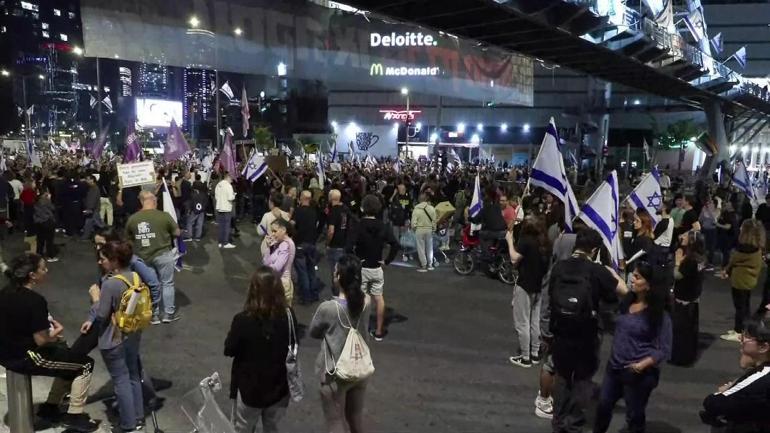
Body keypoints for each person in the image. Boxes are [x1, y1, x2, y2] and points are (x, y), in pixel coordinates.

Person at [0, 253, 99, 432]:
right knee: (84, 364)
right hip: (27, 357)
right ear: (32, 275)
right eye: (43, 268)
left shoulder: (5, 292)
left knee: (67, 359)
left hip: (5, 352)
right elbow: (41, 340)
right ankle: (75, 417)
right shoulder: (35, 301)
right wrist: (57, 333)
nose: (46, 271)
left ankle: (50, 407)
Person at [549, 229, 628, 433]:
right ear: (594, 249)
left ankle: (558, 420)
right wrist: (611, 274)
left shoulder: (560, 267)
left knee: (562, 377)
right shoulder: (596, 270)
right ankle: (574, 422)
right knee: (583, 380)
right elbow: (624, 293)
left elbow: (550, 296)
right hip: (586, 333)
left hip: (561, 332)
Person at [593, 261, 672, 433]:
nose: (632, 280)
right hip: (614, 368)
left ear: (649, 285)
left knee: (634, 415)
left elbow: (664, 349)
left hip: (638, 374)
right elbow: (616, 284)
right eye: (632, 275)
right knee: (603, 406)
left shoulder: (659, 315)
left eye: (637, 277)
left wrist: (642, 365)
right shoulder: (627, 302)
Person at [225, 266, 295, 433]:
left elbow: (229, 349)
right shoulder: (288, 315)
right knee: (272, 427)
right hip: (278, 387)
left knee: (243, 427)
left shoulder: (243, 320)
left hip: (250, 389)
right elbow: (293, 343)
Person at [309, 254, 370, 433]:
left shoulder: (329, 308)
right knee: (355, 418)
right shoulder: (366, 301)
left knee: (335, 421)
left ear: (338, 277)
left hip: (335, 372)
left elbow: (314, 332)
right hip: (360, 368)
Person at [90, 241, 145, 432]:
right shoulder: (135, 277)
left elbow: (101, 315)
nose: (100, 262)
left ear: (114, 261)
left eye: (103, 259)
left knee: (120, 379)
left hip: (114, 338)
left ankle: (127, 424)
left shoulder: (110, 283)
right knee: (133, 375)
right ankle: (138, 417)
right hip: (133, 333)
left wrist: (96, 298)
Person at [701, 316, 770, 433]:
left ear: (763, 347)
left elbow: (713, 403)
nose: (740, 338)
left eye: (747, 337)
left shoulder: (761, 377)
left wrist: (727, 389)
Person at [346, 194, 399, 341]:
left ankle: (357, 330)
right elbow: (395, 245)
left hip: (362, 267)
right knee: (379, 298)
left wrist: (355, 259)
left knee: (360, 298)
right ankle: (379, 330)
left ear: (363, 208)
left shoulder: (358, 225)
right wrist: (387, 261)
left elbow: (348, 247)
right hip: (376, 267)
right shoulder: (383, 226)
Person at [125, 191, 181, 323]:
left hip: (143, 256)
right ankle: (168, 314)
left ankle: (153, 315)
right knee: (167, 283)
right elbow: (177, 232)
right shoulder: (164, 216)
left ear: (141, 201)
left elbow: (128, 238)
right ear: (154, 201)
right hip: (163, 254)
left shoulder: (133, 219)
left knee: (151, 285)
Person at [508, 216, 548, 368]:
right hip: (538, 286)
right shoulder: (544, 243)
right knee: (534, 321)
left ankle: (525, 357)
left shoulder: (526, 241)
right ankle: (535, 353)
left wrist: (509, 241)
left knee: (522, 322)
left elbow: (514, 259)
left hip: (524, 285)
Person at [721, 219, 765, 342]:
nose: (740, 228)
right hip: (749, 281)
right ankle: (744, 330)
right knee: (745, 305)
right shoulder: (756, 246)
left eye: (742, 227)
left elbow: (733, 260)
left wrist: (726, 271)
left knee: (740, 307)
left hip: (740, 281)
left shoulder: (744, 248)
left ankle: (739, 332)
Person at [671, 230, 706, 366]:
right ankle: (690, 355)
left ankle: (681, 357)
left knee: (681, 330)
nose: (682, 236)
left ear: (692, 241)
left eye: (685, 236)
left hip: (684, 300)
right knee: (691, 330)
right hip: (693, 298)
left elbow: (677, 275)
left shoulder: (690, 260)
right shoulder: (700, 257)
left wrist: (677, 261)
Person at [293, 190, 321, 304]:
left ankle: (306, 295)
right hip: (312, 243)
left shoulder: (298, 211)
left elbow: (292, 224)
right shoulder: (314, 212)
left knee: (302, 271)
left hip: (300, 243)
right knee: (311, 269)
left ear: (302, 198)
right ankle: (314, 293)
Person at [261, 218, 296, 305]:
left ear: (283, 230)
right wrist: (269, 247)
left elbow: (276, 268)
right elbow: (266, 262)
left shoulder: (285, 245)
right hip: (278, 283)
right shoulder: (281, 244)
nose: (272, 234)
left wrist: (266, 268)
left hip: (281, 284)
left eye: (275, 231)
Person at [326, 189, 349, 292]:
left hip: (334, 245)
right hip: (343, 243)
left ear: (331, 198)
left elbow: (331, 231)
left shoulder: (334, 211)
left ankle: (336, 295)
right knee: (342, 271)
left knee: (335, 273)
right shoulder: (344, 209)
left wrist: (327, 242)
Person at [411, 192, 437, 272]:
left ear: (419, 199)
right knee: (430, 248)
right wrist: (434, 229)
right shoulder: (432, 208)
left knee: (421, 248)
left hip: (419, 230)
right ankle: (430, 264)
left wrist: (414, 229)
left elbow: (413, 222)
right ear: (426, 199)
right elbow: (434, 221)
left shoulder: (416, 208)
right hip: (429, 229)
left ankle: (424, 265)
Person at [389, 183, 413, 262]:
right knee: (396, 237)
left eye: (403, 189)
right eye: (400, 189)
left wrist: (410, 218)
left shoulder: (407, 196)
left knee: (405, 237)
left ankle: (406, 252)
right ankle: (396, 251)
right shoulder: (396, 196)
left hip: (405, 219)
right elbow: (390, 201)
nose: (402, 190)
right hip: (396, 220)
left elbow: (410, 207)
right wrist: (394, 193)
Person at [34, 188, 59, 262]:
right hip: (48, 221)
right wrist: (49, 199)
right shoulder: (46, 200)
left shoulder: (36, 200)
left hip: (39, 222)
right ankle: (50, 256)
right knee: (49, 240)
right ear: (45, 193)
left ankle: (39, 255)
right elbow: (53, 208)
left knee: (40, 240)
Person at [215, 173, 236, 249]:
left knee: (221, 226)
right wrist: (234, 195)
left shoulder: (219, 184)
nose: (232, 180)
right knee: (227, 226)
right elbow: (230, 198)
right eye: (232, 178)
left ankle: (220, 242)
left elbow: (216, 196)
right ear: (228, 177)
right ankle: (226, 242)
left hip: (220, 207)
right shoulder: (228, 186)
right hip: (226, 208)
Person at [81, 175, 103, 241]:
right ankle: (88, 236)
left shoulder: (94, 189)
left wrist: (89, 209)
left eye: (87, 179)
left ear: (92, 180)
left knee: (96, 224)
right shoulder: (92, 187)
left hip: (93, 210)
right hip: (93, 210)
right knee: (91, 223)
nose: (86, 181)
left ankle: (86, 236)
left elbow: (92, 200)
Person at [700, 198, 719, 269]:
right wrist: (702, 212)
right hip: (705, 230)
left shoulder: (717, 211)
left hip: (712, 231)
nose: (708, 204)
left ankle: (710, 262)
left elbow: (714, 219)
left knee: (711, 247)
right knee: (704, 246)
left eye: (710, 203)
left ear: (714, 204)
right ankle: (704, 261)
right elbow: (700, 219)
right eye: (708, 203)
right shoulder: (704, 210)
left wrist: (709, 211)